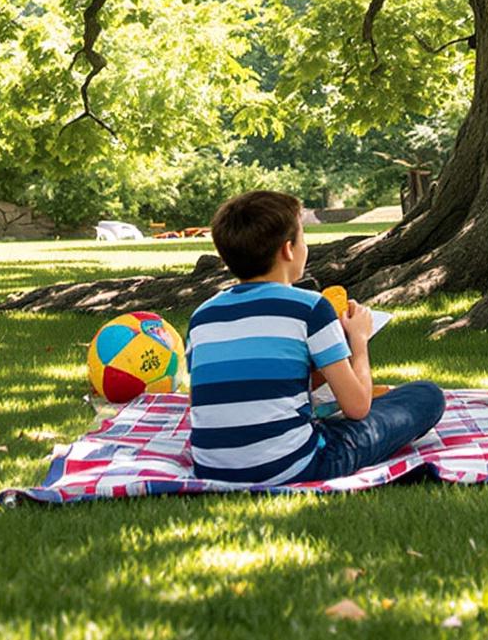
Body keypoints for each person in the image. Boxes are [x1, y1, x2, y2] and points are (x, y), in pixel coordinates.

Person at [185, 190, 445, 488]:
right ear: (288, 250)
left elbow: (208, 398)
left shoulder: (202, 316)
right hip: (295, 465)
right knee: (427, 395)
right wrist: (358, 340)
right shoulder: (310, 307)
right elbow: (357, 407)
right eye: (303, 237)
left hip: (212, 468)